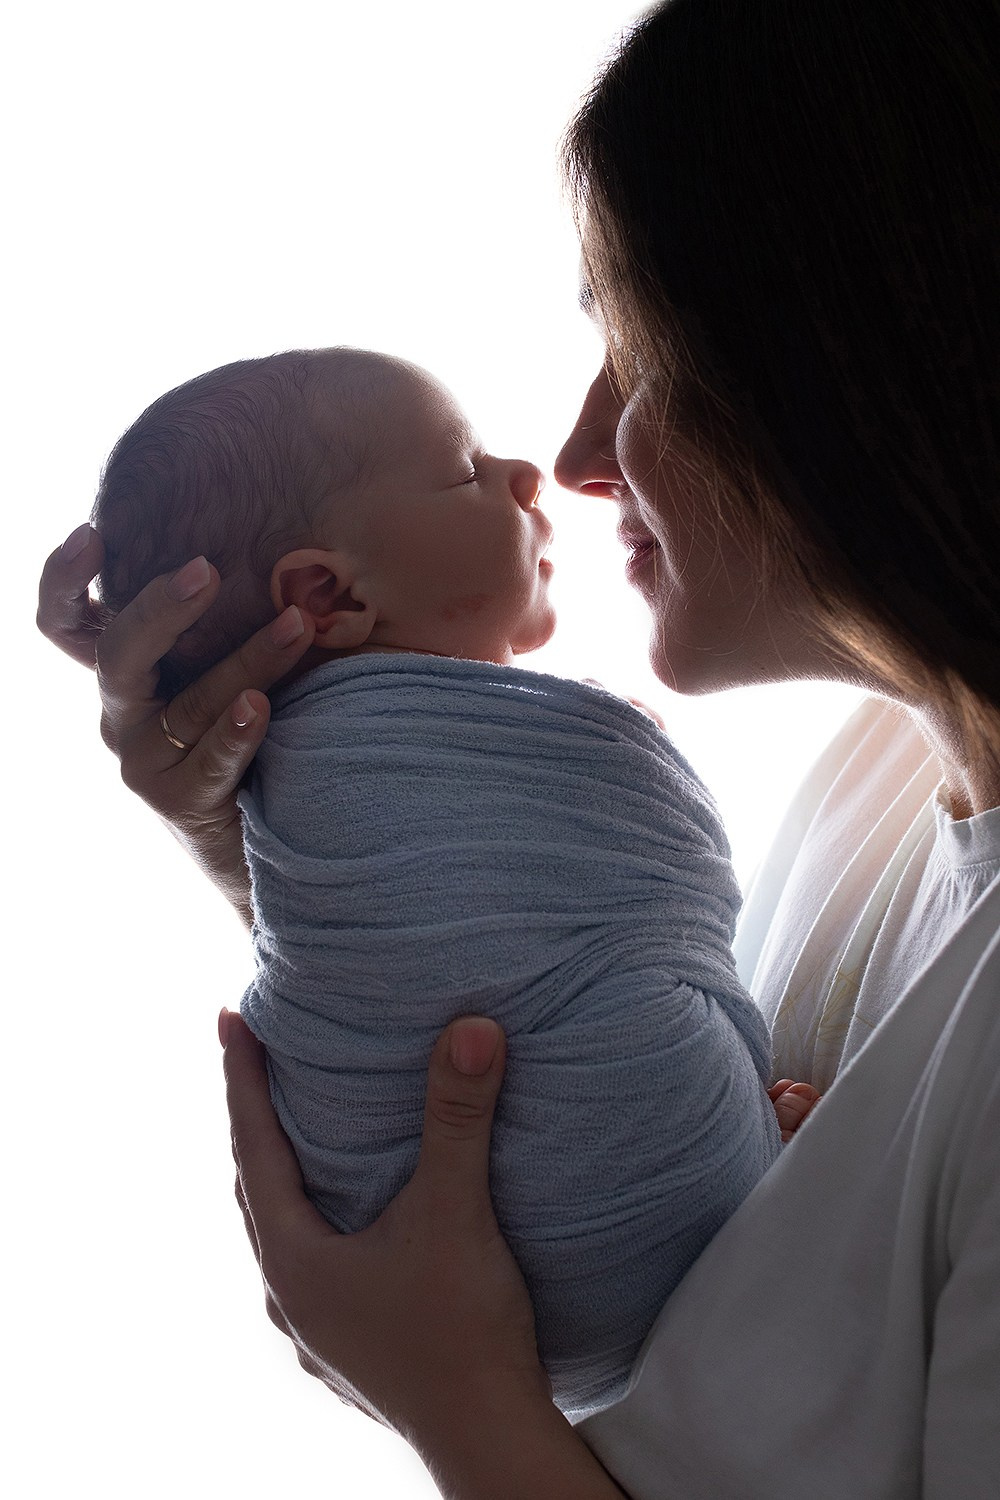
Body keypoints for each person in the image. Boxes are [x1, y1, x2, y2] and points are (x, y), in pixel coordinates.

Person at [37, 0, 999, 1494]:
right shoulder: (874, 787)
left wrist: (455, 1402)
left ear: (856, 356)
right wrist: (252, 816)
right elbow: (543, 1070)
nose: (576, 456)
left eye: (642, 350)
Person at [87, 345, 798, 1417]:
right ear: (326, 593)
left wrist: (459, 1412)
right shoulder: (330, 781)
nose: (533, 471)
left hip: (535, 1335)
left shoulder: (311, 776)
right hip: (605, 1254)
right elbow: (410, 964)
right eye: (467, 469)